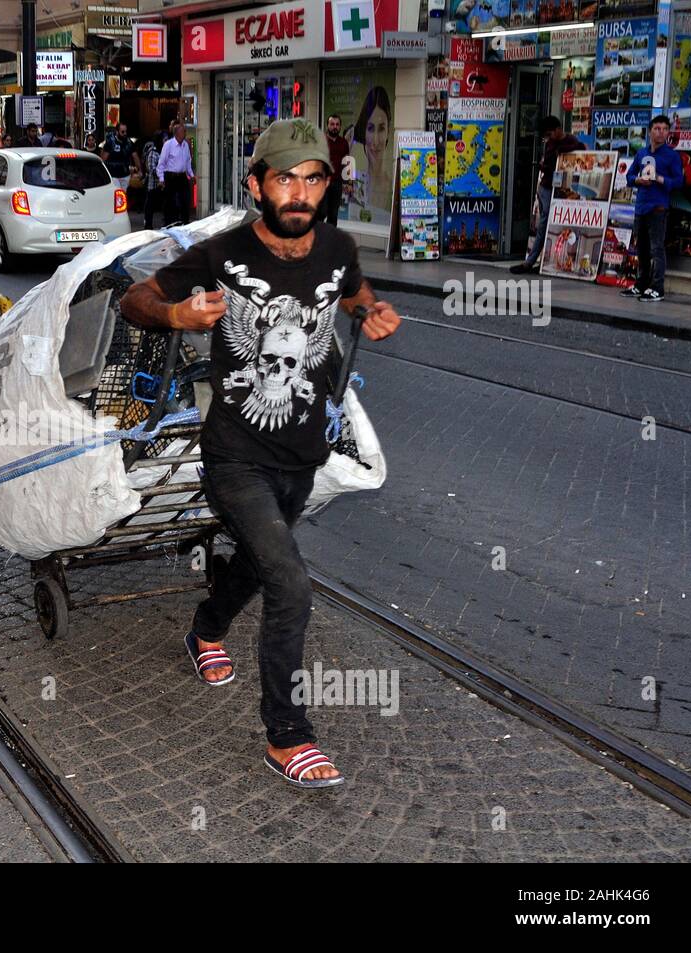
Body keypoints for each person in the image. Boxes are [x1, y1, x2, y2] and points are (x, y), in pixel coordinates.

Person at [119, 118, 401, 788]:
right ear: (257, 185)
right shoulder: (223, 251)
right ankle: (287, 735)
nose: (300, 193)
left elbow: (351, 287)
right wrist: (177, 316)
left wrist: (372, 309)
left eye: (313, 179)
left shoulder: (336, 245)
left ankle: (204, 628)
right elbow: (137, 298)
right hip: (235, 455)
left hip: (300, 454)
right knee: (290, 580)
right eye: (285, 178)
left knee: (255, 561)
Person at [619, 115, 682, 302]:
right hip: (641, 206)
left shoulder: (672, 156)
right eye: (657, 128)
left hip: (658, 207)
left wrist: (660, 179)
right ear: (650, 131)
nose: (660, 132)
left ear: (668, 133)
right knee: (642, 249)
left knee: (657, 249)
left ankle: (657, 288)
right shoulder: (641, 153)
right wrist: (638, 180)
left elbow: (679, 181)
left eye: (664, 129)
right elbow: (629, 176)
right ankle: (640, 284)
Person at [511, 116, 582, 274]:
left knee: (554, 225)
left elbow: (578, 148)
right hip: (547, 188)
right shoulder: (551, 144)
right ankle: (532, 261)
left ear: (558, 129)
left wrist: (560, 151)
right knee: (543, 225)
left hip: (561, 189)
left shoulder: (569, 140)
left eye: (550, 134)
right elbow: (551, 160)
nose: (549, 138)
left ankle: (542, 261)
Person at [351, 86, 393, 222]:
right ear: (364, 132)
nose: (375, 141)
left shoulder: (393, 187)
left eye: (381, 129)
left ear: (388, 132)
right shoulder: (357, 182)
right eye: (370, 128)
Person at [157, 121, 195, 226]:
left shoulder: (185, 145)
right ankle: (169, 223)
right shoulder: (168, 145)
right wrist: (161, 179)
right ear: (177, 133)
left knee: (185, 200)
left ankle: (185, 223)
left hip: (182, 176)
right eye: (184, 131)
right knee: (170, 202)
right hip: (171, 176)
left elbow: (187, 162)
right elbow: (161, 163)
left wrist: (191, 175)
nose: (185, 133)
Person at [323, 113, 349, 226]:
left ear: (340, 126)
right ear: (327, 125)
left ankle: (330, 241)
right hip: (323, 183)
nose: (335, 127)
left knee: (333, 215)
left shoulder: (344, 143)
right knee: (321, 212)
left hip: (337, 183)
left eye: (337, 124)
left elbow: (347, 163)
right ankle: (317, 239)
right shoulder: (321, 141)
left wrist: (349, 183)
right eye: (332, 124)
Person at [103, 123, 137, 192]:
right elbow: (104, 158)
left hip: (125, 174)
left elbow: (135, 156)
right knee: (118, 194)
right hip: (113, 175)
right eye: (122, 132)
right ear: (117, 131)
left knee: (124, 195)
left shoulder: (129, 143)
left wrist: (139, 170)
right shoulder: (110, 142)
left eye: (126, 131)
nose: (125, 133)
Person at [141, 131, 164, 230]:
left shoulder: (162, 150)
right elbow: (152, 168)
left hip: (161, 182)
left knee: (162, 204)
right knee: (150, 204)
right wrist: (160, 178)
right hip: (153, 184)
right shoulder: (153, 152)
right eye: (163, 139)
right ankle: (148, 224)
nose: (165, 141)